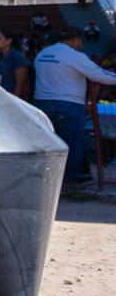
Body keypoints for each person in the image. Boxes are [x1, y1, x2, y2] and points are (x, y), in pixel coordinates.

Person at [33, 26, 116, 185]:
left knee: (49, 145)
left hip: (42, 103)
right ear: (75, 40)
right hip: (68, 104)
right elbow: (100, 75)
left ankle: (48, 182)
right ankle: (69, 182)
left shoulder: (42, 54)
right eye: (80, 42)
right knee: (71, 144)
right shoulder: (74, 56)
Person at [0, 30, 30, 99]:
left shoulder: (17, 57)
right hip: (0, 97)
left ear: (9, 41)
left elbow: (20, 84)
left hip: (13, 98)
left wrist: (14, 101)